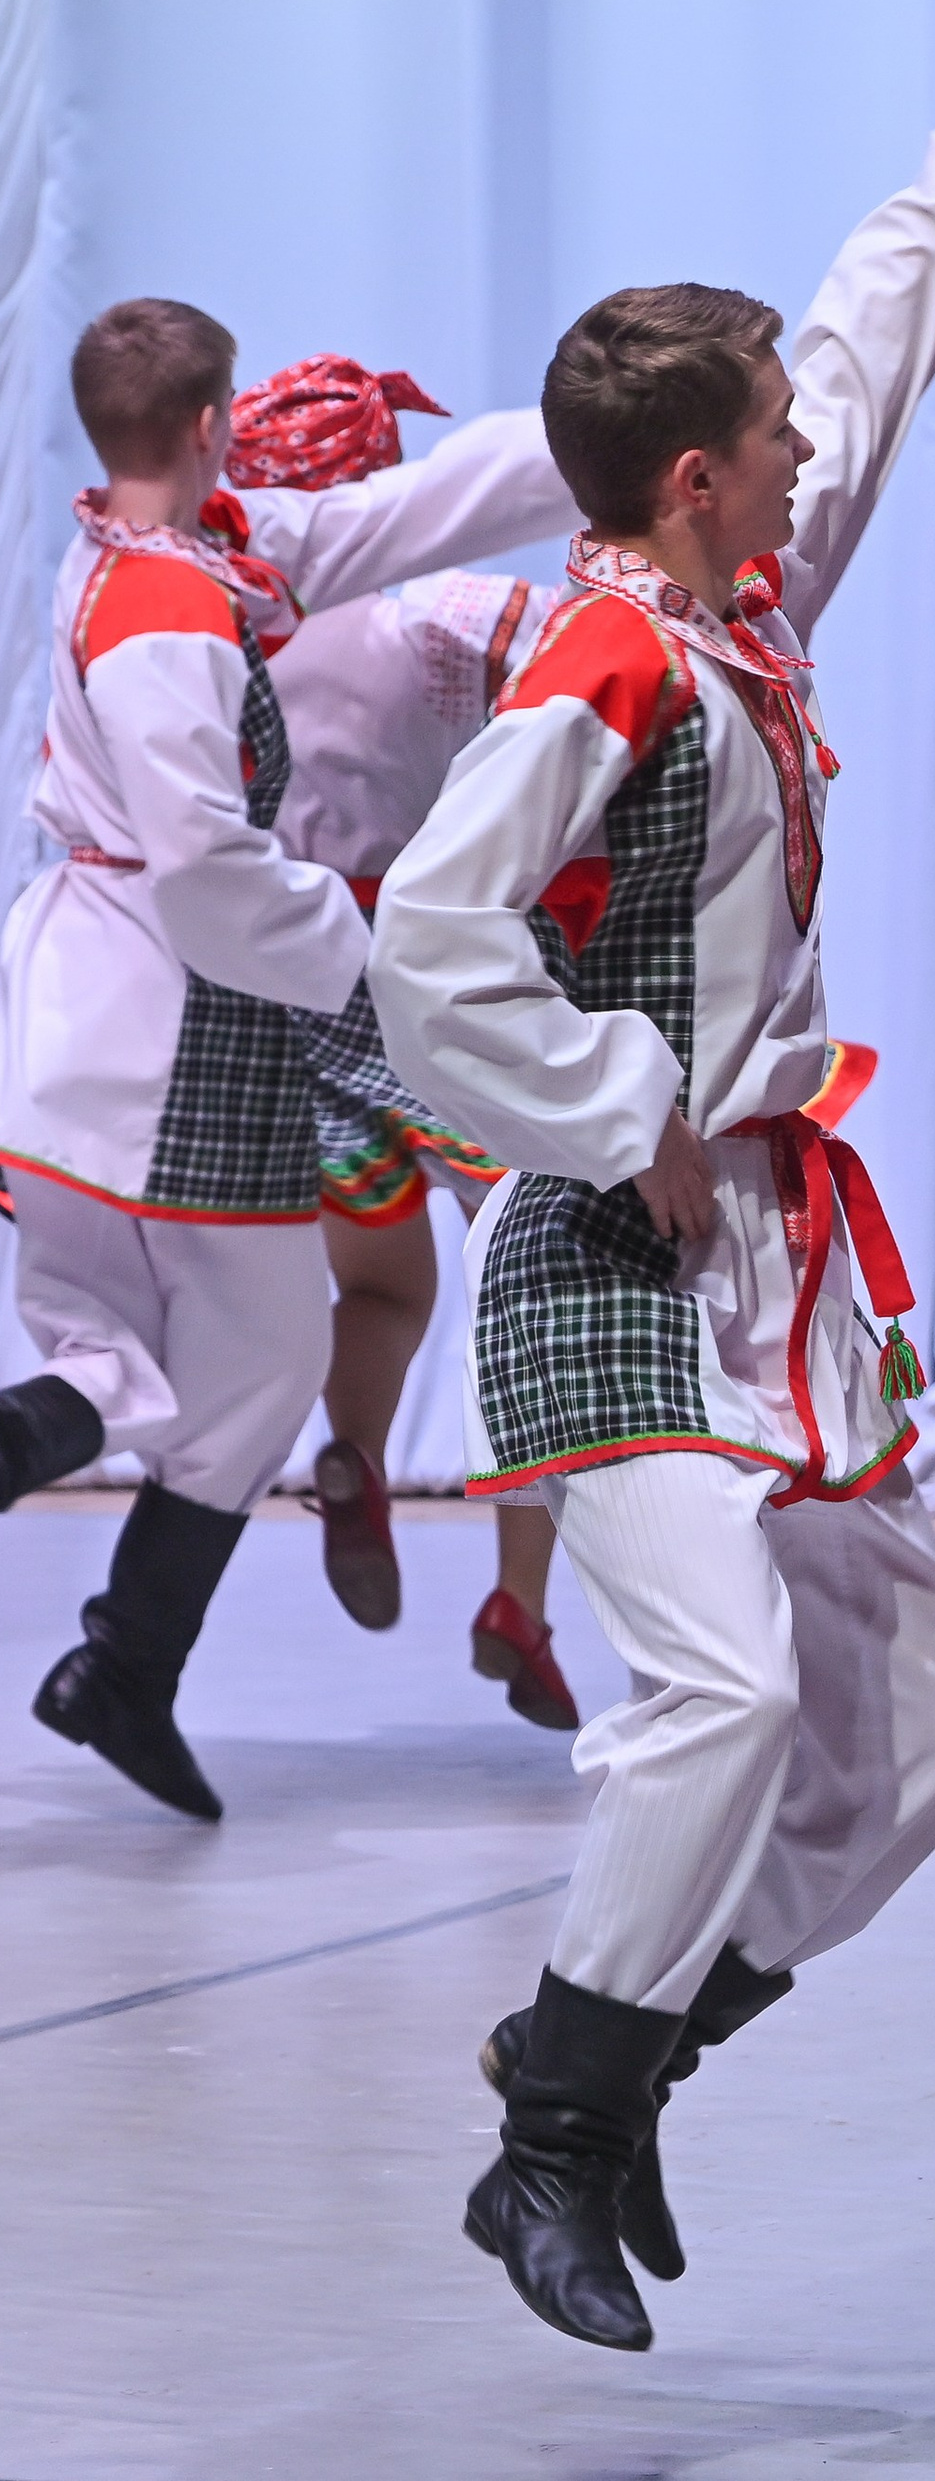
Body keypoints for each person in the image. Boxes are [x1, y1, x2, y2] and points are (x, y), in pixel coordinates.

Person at [368, 89, 935, 2354]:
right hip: (617, 1257)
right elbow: (432, 931)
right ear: (688, 476)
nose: (799, 448)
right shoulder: (601, 661)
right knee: (721, 1684)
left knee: (913, 1721)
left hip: (770, 1267)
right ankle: (554, 2150)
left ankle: (613, 2052)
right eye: (761, 432)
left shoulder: (732, 620)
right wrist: (614, 1110)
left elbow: (862, 375)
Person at [0, 296, 577, 1822]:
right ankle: (116, 1634)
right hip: (179, 1034)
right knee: (225, 1356)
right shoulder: (172, 617)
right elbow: (206, 870)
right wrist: (380, 972)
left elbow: (406, 511)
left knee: (193, 1348)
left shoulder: (163, 558)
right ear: (209, 428)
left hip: (82, 1028)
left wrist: (599, 435)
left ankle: (124, 1662)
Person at [227, 353, 577, 1726]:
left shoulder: (224, 634)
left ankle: (354, 1454)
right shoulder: (463, 614)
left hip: (293, 996)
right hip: (453, 982)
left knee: (381, 1286)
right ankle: (520, 1601)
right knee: (538, 1276)